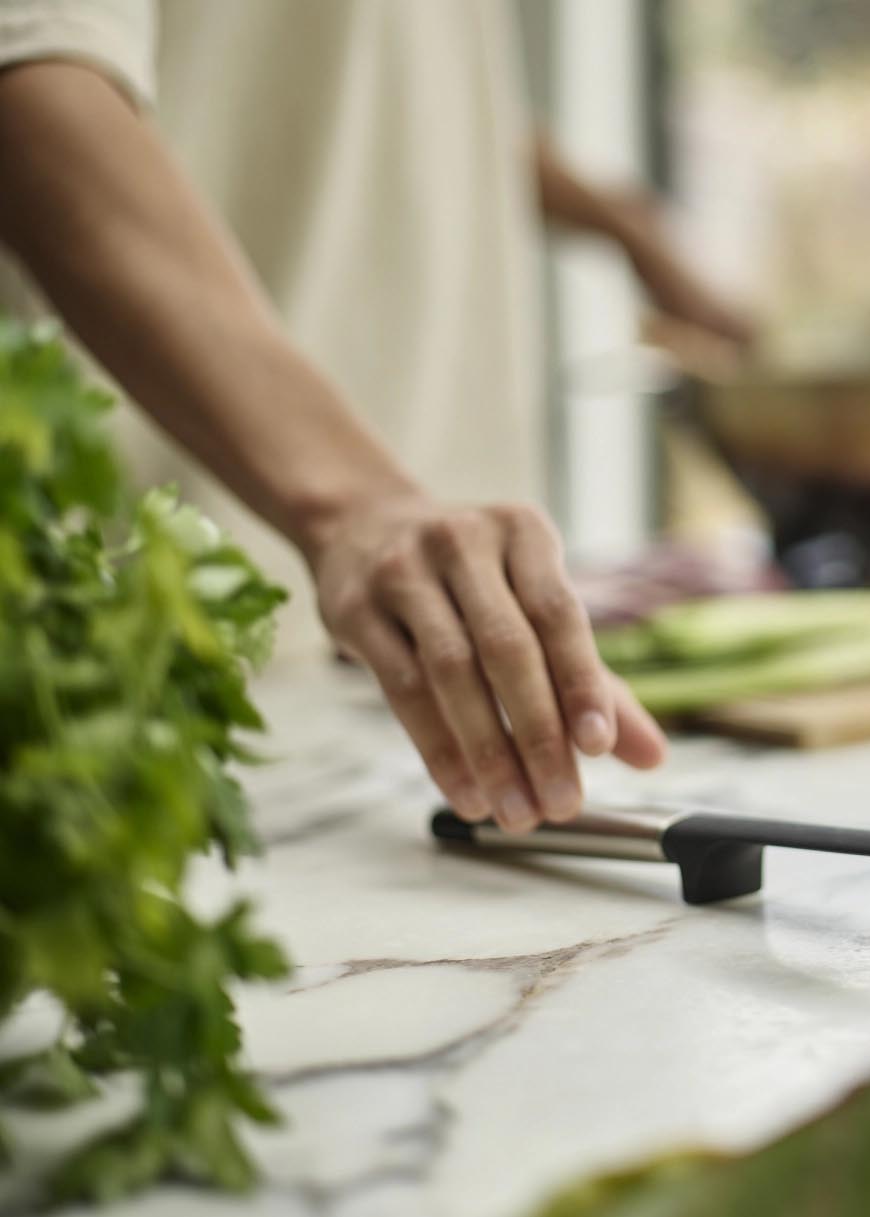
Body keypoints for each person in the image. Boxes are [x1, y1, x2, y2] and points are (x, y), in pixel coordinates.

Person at [0, 2, 753, 834]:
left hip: (388, 663)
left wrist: (625, 224)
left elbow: (398, 84)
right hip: (155, 642)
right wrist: (351, 501)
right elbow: (32, 77)